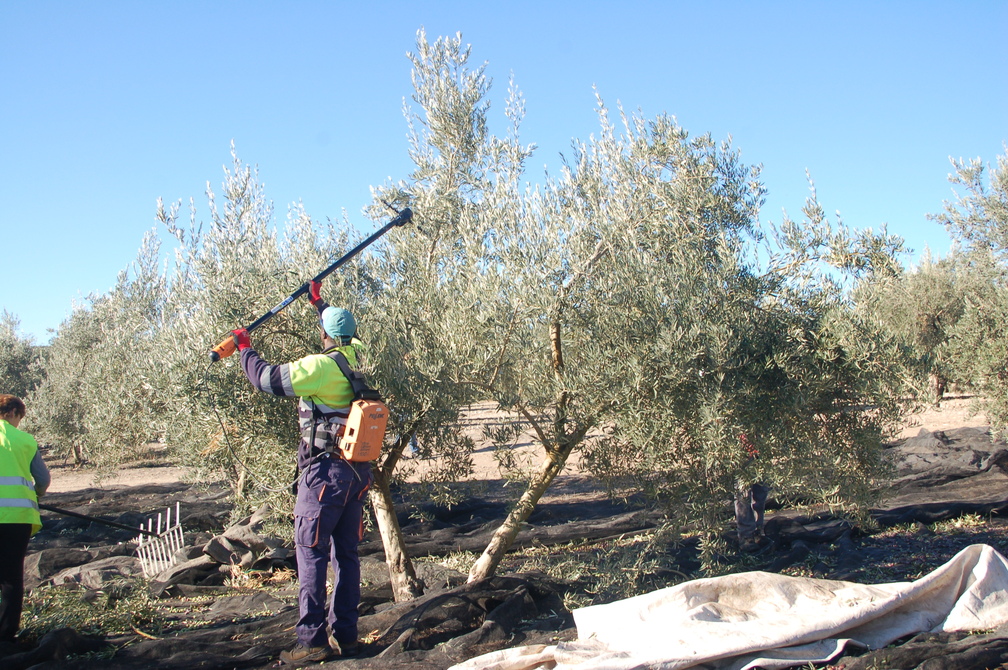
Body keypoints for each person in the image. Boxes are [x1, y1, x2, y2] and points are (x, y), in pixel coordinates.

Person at [232, 280, 372, 666]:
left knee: (310, 555)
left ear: (325, 335)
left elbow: (265, 379)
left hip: (324, 476)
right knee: (346, 556)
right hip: (357, 474)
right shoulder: (359, 354)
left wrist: (244, 347)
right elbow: (337, 331)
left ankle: (310, 643)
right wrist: (318, 302)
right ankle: (347, 636)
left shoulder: (320, 367)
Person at [0, 394, 50, 645]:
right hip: (17, 519)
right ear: (11, 413)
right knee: (10, 577)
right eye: (20, 417)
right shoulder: (24, 440)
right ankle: (6, 634)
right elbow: (42, 480)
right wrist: (37, 494)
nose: (19, 422)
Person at [735, 433, 770, 553]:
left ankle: (758, 531)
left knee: (761, 492)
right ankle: (746, 535)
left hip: (760, 450)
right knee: (743, 495)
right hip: (741, 453)